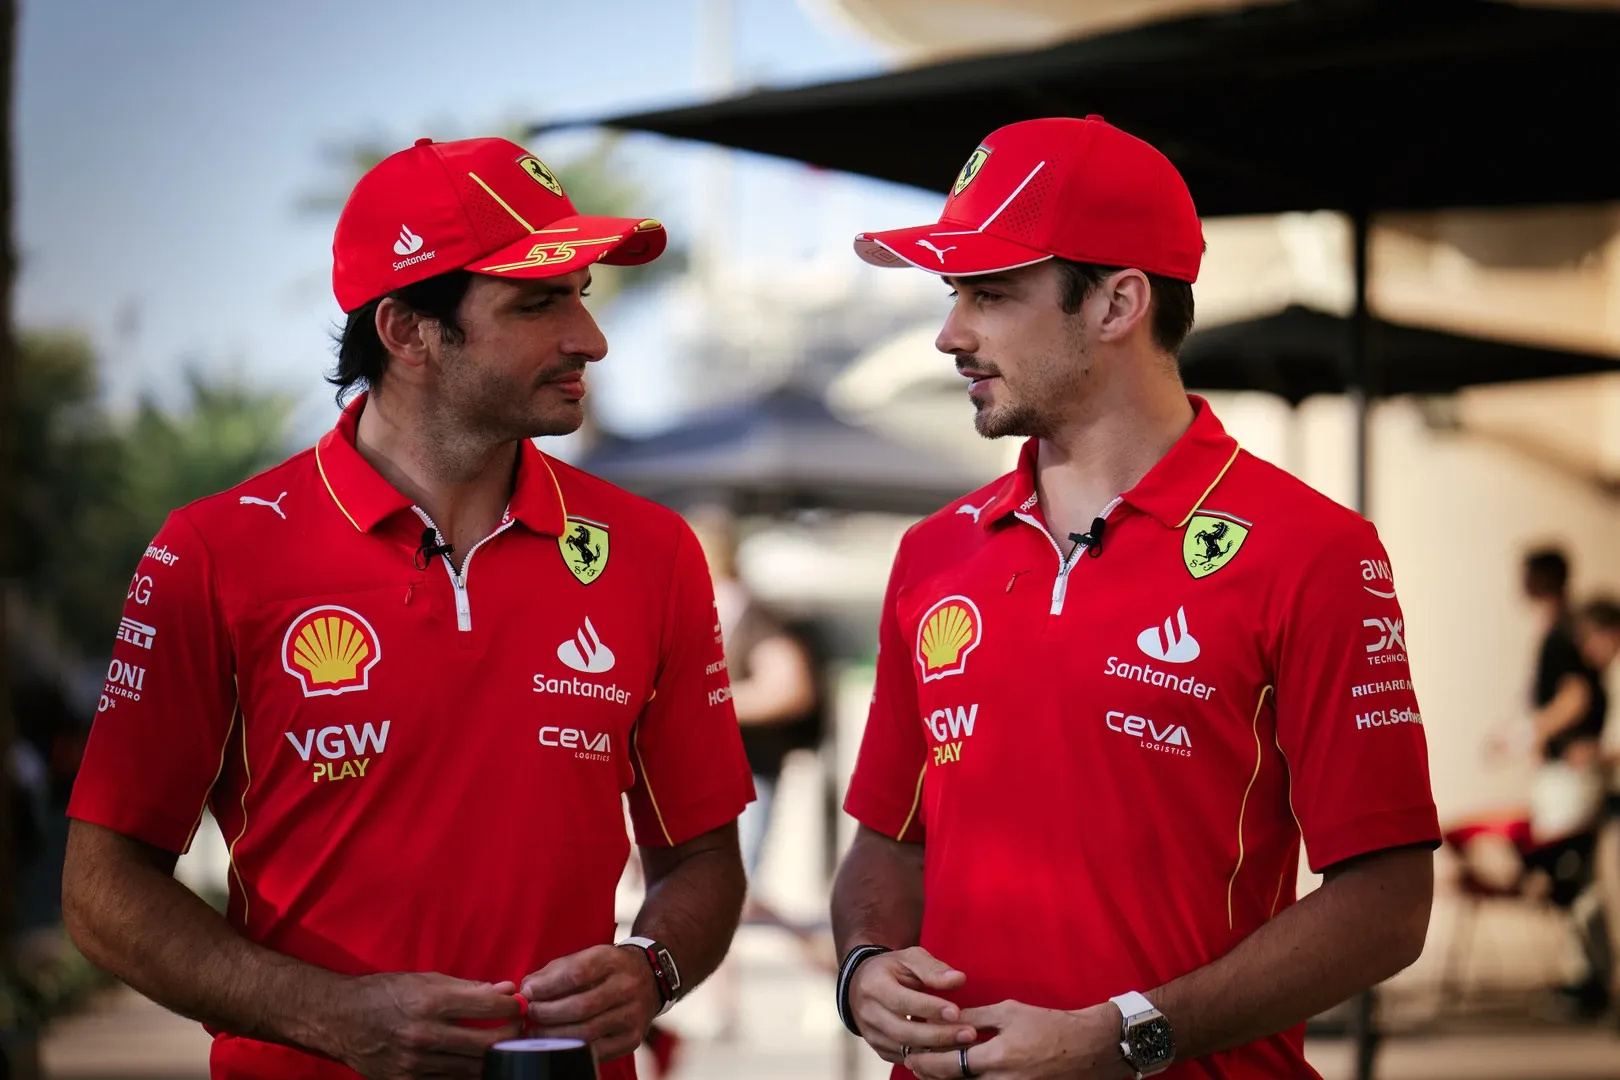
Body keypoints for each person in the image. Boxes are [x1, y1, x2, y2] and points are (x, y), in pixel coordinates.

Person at [61, 137, 754, 1080]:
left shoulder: (653, 552)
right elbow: (103, 891)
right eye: (538, 301)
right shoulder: (216, 552)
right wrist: (333, 1016)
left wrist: (652, 968)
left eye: (581, 295)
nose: (589, 338)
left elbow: (704, 858)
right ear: (407, 331)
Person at [830, 116, 1439, 1080]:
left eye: (988, 293)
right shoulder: (931, 554)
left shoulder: (1314, 550)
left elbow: (1390, 904)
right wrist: (863, 966)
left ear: (1118, 303)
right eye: (955, 294)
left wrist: (1127, 1035)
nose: (951, 333)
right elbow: (888, 845)